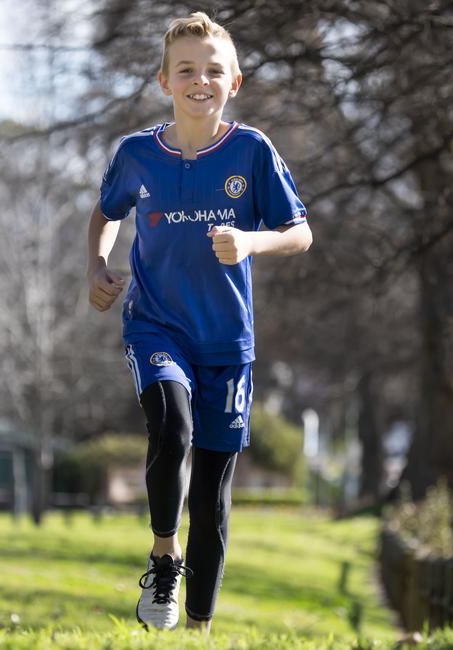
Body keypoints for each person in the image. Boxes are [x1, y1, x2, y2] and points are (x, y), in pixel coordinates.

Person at [87, 11, 312, 633]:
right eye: (186, 69)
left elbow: (300, 233)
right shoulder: (136, 154)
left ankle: (197, 631)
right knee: (170, 423)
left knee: (211, 495)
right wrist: (96, 265)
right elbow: (104, 214)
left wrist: (249, 242)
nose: (200, 80)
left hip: (227, 342)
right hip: (155, 326)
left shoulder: (251, 150)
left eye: (214, 70)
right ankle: (164, 555)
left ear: (233, 82)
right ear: (164, 80)